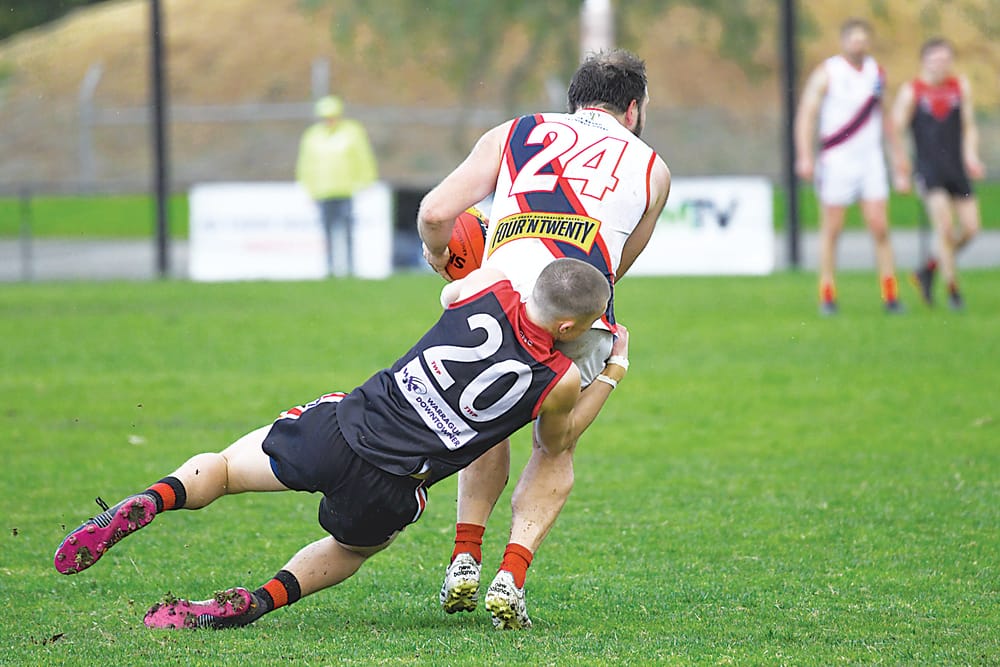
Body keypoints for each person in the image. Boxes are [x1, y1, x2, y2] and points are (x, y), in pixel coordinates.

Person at [53, 259, 631, 631]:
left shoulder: (492, 286)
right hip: (393, 484)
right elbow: (558, 441)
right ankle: (257, 601)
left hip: (340, 429)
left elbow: (452, 292)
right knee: (352, 550)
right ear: (570, 329)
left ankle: (154, 499)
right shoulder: (561, 379)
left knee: (225, 470)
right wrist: (611, 373)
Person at [418, 48, 670, 628]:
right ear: (633, 109)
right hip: (575, 313)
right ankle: (512, 574)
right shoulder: (653, 168)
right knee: (555, 445)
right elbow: (610, 273)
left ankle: (464, 554)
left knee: (485, 419)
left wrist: (440, 257)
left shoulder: (514, 131)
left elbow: (434, 213)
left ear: (573, 100)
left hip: (495, 300)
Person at [794, 18, 904, 315]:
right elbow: (806, 114)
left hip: (870, 160)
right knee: (832, 229)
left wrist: (899, 158)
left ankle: (890, 293)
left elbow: (887, 118)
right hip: (837, 160)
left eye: (862, 39)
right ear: (843, 41)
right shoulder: (828, 72)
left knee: (879, 226)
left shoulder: (876, 73)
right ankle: (827, 293)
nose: (858, 44)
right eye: (853, 39)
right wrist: (805, 155)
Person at [890, 38, 985, 310]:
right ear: (924, 61)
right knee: (944, 228)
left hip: (956, 168)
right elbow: (895, 131)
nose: (940, 65)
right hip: (929, 170)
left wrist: (971, 156)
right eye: (935, 59)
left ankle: (929, 268)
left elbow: (968, 126)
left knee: (971, 228)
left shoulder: (959, 87)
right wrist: (901, 168)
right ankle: (954, 292)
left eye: (945, 59)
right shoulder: (913, 92)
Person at [295, 95, 378, 277]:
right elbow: (306, 164)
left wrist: (366, 180)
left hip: (345, 190)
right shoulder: (312, 135)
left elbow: (363, 157)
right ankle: (330, 269)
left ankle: (350, 268)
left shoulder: (352, 132)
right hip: (323, 191)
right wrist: (309, 187)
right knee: (327, 233)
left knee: (347, 232)